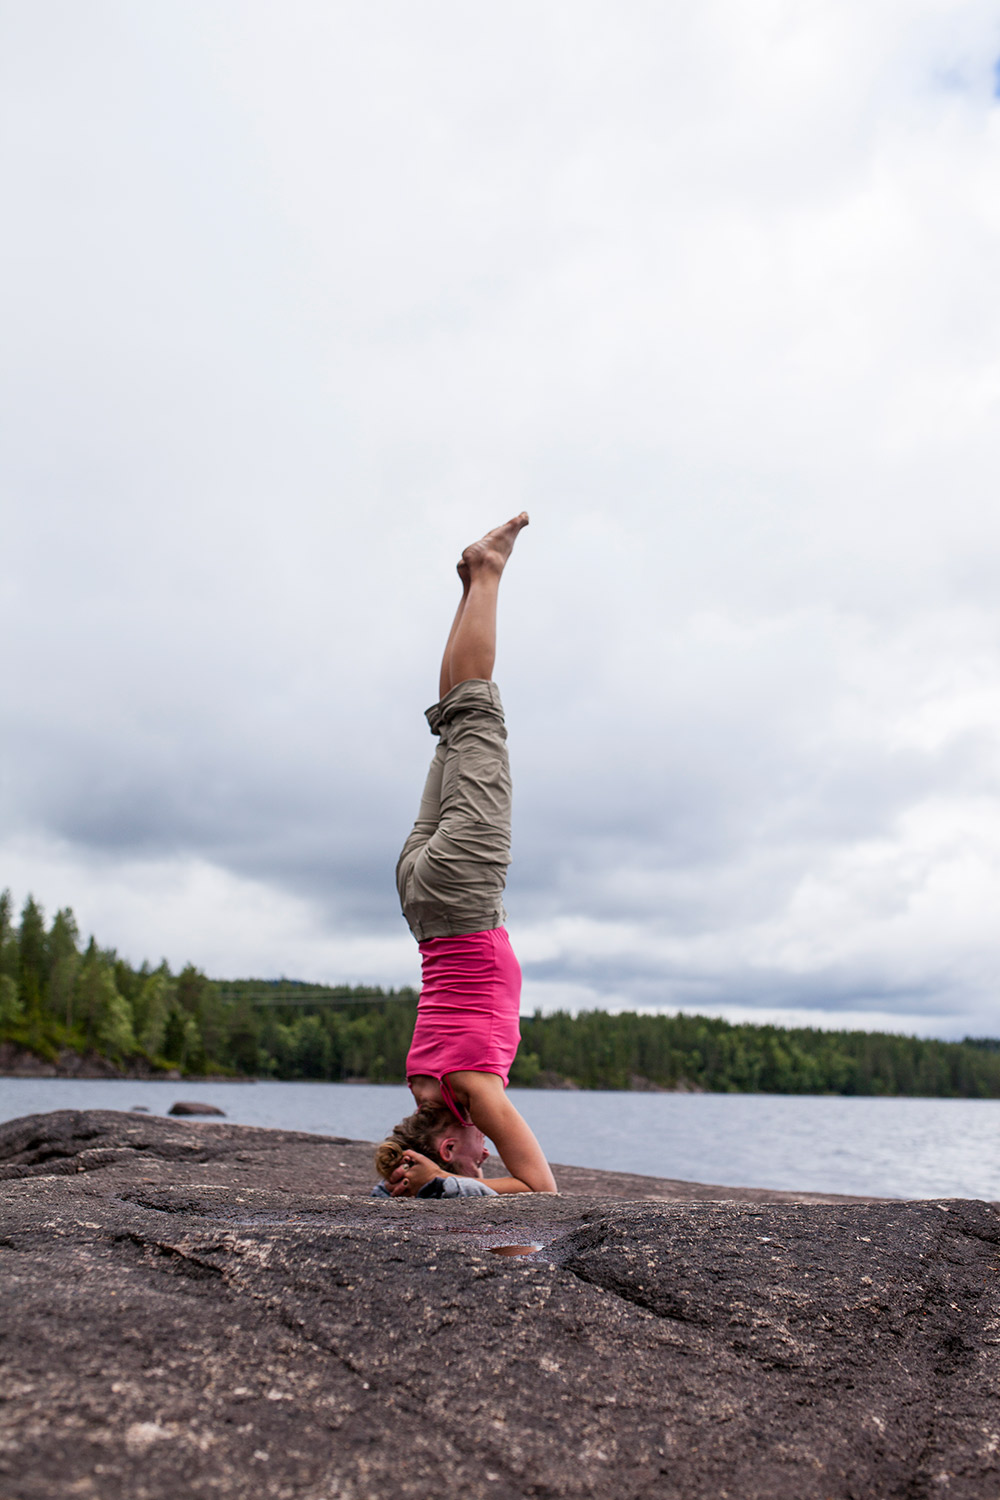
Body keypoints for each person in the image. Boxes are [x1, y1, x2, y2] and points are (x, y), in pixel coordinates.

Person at [374, 513, 557, 1198]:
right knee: (456, 725)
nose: (488, 1153)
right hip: (420, 898)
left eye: (473, 1155)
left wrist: (448, 1185)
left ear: (448, 1144)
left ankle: (486, 573)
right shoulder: (423, 1083)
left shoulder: (471, 1093)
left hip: (460, 894)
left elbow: (539, 1190)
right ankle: (470, 586)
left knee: (477, 716)